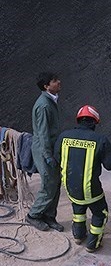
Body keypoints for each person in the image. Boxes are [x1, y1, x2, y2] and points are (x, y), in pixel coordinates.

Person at [55, 105, 111, 251]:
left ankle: (78, 235)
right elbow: (110, 164)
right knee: (100, 213)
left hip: (70, 186)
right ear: (94, 122)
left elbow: (57, 157)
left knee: (78, 209)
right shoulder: (100, 139)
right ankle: (92, 244)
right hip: (91, 189)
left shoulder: (64, 136)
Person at [27, 72, 64, 232]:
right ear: (46, 86)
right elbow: (42, 134)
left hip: (50, 149)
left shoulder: (50, 101)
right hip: (44, 150)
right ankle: (34, 215)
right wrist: (48, 156)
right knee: (49, 184)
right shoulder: (43, 105)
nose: (59, 82)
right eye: (55, 81)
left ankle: (49, 216)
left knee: (55, 183)